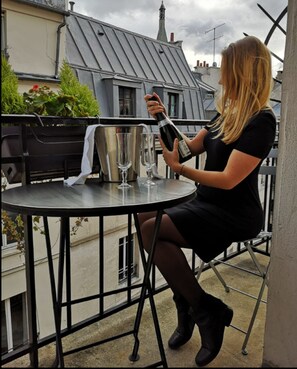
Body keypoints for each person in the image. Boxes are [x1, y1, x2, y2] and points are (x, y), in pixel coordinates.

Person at [140, 35, 276, 367]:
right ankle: (190, 305)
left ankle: (203, 310)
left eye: (227, 68)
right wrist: (162, 118)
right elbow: (187, 147)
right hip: (206, 203)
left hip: (234, 213)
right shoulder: (224, 115)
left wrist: (180, 171)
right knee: (143, 213)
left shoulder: (262, 120)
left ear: (243, 71)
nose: (221, 75)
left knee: (150, 231)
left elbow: (229, 179)